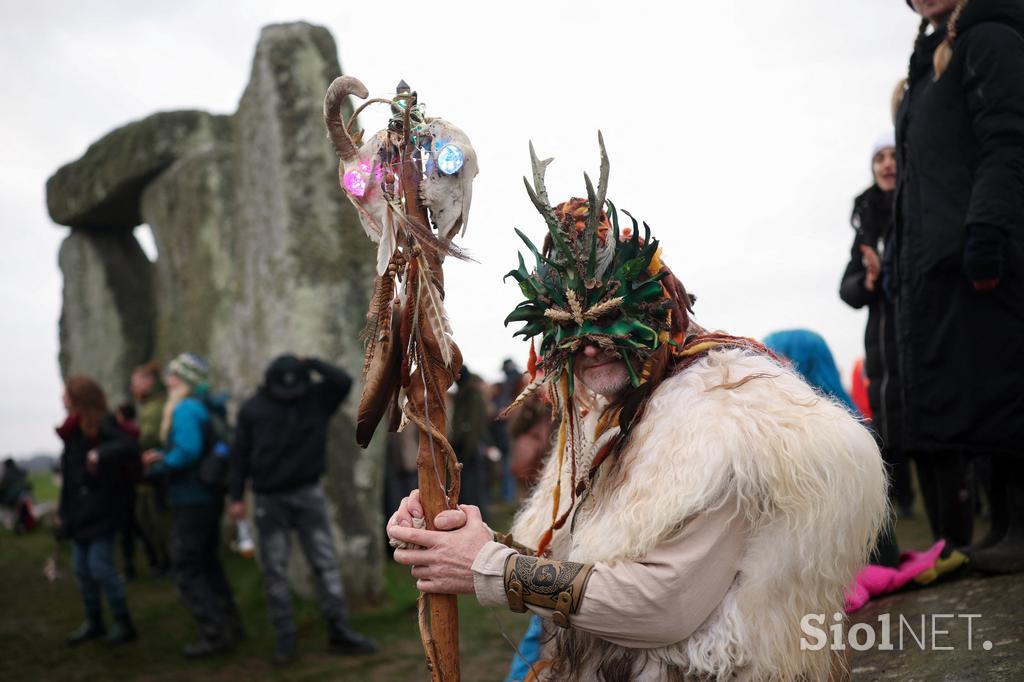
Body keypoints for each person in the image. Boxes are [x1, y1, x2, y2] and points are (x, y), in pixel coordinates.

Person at [387, 145, 887, 680]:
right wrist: (472, 543)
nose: (588, 347)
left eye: (608, 318)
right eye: (566, 331)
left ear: (657, 308)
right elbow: (587, 568)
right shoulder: (607, 416)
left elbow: (662, 607)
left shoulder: (724, 419)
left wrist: (488, 567)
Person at [895, 0, 1024, 573]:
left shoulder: (992, 38)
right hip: (943, 257)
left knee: (1008, 381)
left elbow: (1008, 142)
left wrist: (988, 229)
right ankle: (1003, 522)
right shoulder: (928, 62)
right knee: (981, 391)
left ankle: (1021, 524)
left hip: (988, 245)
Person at [228, 355, 376, 665]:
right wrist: (236, 497)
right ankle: (286, 640)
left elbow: (343, 381)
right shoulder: (253, 409)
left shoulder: (315, 398)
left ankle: (339, 632)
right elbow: (239, 454)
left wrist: (310, 362)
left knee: (324, 564)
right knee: (276, 571)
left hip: (308, 493)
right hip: (270, 500)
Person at [143, 353, 242, 657]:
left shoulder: (185, 408)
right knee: (208, 563)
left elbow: (187, 450)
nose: (167, 380)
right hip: (208, 497)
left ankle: (214, 635)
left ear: (184, 380)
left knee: (186, 568)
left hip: (191, 499)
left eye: (173, 375)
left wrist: (160, 465)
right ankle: (231, 626)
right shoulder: (205, 406)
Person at [839, 132, 915, 518]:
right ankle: (902, 505)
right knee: (889, 426)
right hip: (881, 344)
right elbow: (847, 290)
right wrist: (869, 281)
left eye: (892, 155)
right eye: (878, 158)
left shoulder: (918, 207)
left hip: (918, 333)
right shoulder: (866, 223)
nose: (886, 163)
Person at [57, 375, 138, 646]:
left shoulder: (104, 424)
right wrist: (62, 513)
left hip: (103, 509)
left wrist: (100, 454)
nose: (63, 399)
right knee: (81, 569)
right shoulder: (72, 431)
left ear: (79, 398)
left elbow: (128, 445)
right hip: (79, 513)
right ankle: (95, 622)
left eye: (67, 395)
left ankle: (124, 623)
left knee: (100, 567)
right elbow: (69, 479)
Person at [131, 361, 172, 577]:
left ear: (149, 382)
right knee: (151, 520)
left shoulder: (154, 408)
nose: (133, 388)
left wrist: (129, 444)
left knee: (157, 521)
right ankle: (164, 562)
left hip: (156, 471)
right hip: (154, 470)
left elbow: (149, 438)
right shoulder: (154, 405)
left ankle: (168, 563)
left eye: (136, 382)